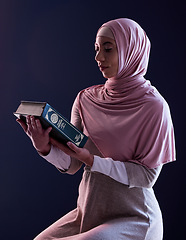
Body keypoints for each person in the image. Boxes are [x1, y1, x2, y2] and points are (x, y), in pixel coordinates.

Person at [17, 18, 176, 240]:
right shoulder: (86, 99)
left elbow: (146, 176)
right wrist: (44, 148)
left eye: (108, 49)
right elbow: (73, 164)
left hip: (134, 217)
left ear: (132, 50)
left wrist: (92, 160)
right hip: (89, 211)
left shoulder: (154, 106)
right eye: (97, 49)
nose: (99, 57)